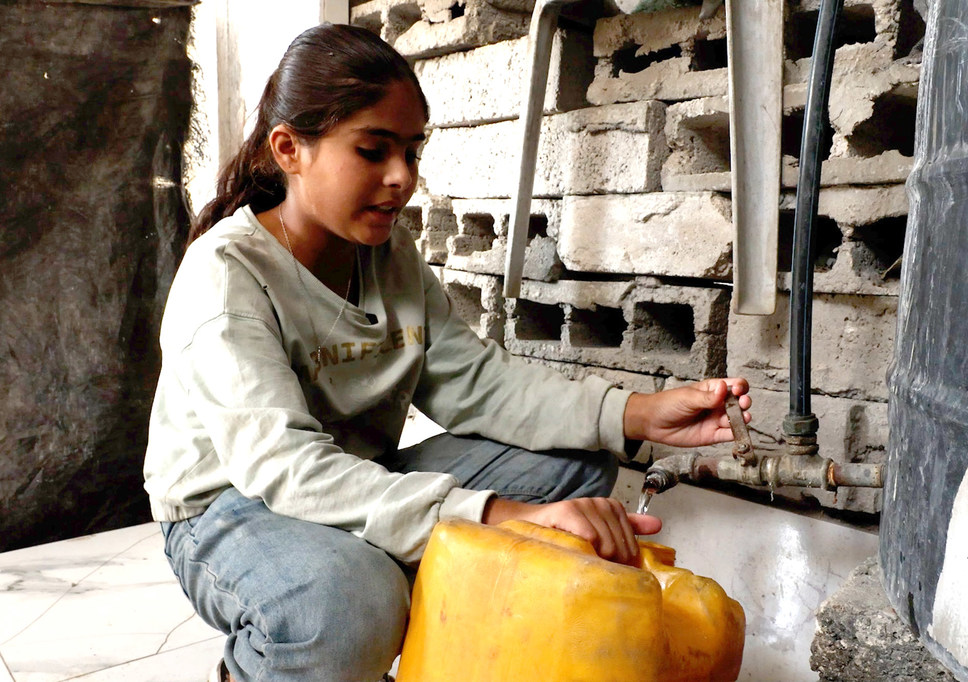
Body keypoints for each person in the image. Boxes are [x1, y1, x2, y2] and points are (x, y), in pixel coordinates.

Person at [143, 22, 752, 682]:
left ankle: (464, 648)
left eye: (412, 152)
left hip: (352, 472)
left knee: (575, 467)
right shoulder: (226, 273)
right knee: (352, 603)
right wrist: (501, 515)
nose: (401, 177)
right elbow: (286, 468)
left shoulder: (387, 253)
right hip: (230, 508)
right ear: (290, 148)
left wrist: (636, 413)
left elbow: (477, 383)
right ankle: (267, 662)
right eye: (373, 151)